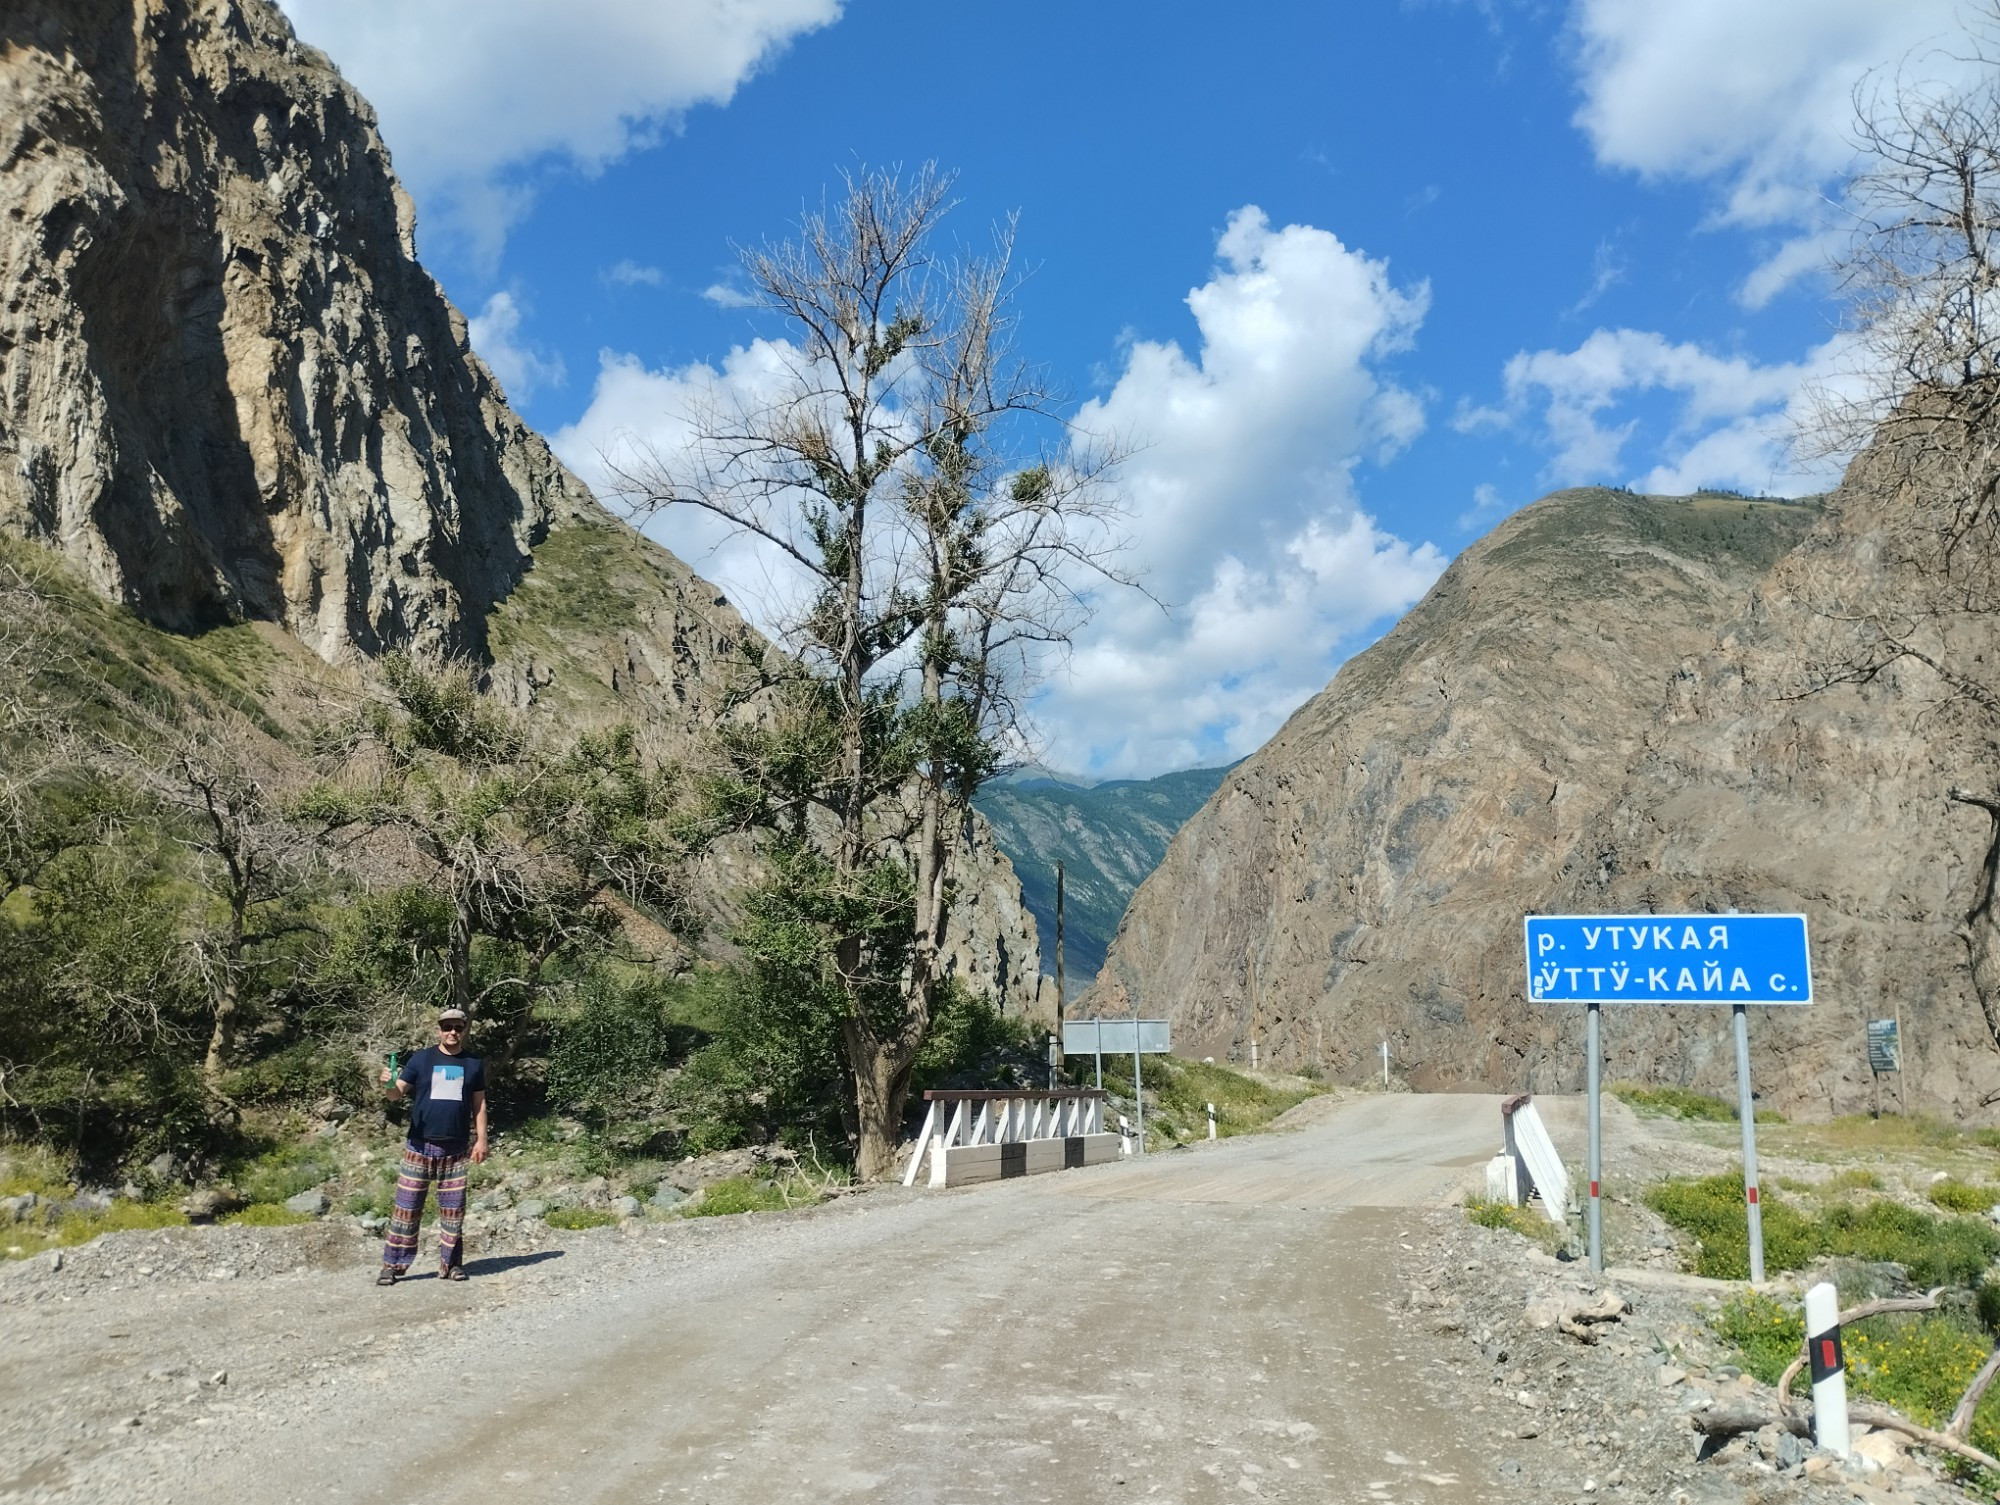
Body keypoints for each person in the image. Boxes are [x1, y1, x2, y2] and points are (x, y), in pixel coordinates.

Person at [377, 1007, 488, 1285]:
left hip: (456, 1149)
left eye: (458, 1027)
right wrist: (388, 1083)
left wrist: (482, 1139)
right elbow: (395, 1094)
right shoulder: (421, 1059)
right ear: (438, 1029)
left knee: (453, 1212)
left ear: (464, 1030)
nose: (453, 1032)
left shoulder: (473, 1063)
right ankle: (392, 1266)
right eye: (447, 1027)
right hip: (418, 1146)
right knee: (406, 1208)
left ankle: (451, 1265)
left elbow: (479, 1104)